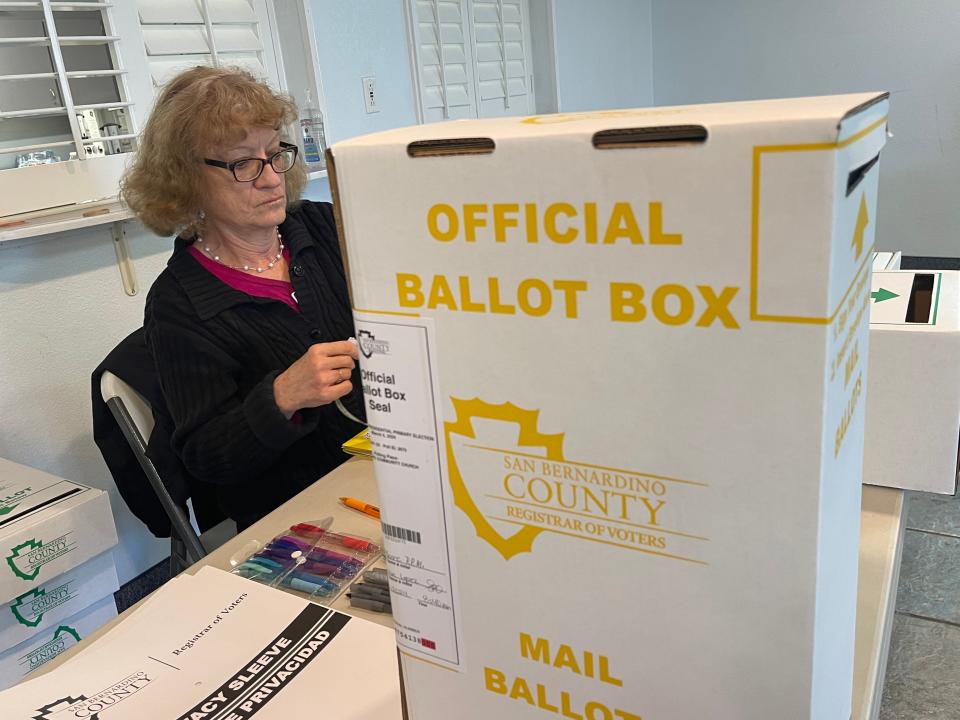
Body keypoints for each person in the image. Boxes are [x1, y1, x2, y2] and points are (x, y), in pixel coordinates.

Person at [121, 66, 364, 530]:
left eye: (274, 155)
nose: (271, 178)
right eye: (243, 164)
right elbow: (206, 459)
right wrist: (281, 397)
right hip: (300, 516)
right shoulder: (179, 304)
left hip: (386, 467)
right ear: (186, 179)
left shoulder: (323, 228)